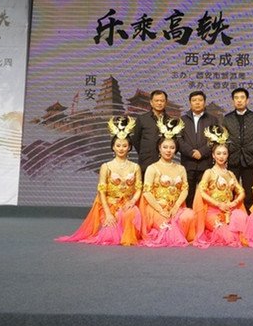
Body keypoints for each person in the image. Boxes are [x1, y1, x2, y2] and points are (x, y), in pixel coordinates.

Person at [56, 117, 142, 246]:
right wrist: (108, 213)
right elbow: (101, 192)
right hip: (109, 206)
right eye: (118, 145)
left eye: (124, 146)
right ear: (113, 147)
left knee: (132, 214)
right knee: (110, 237)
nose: (121, 149)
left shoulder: (135, 167)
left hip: (127, 205)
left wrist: (132, 201)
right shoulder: (106, 166)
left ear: (129, 147)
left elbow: (139, 188)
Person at [139, 118, 196, 246]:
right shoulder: (152, 168)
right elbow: (147, 192)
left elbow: (185, 190)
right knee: (169, 229)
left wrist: (176, 206)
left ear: (176, 149)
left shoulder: (181, 168)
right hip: (156, 208)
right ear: (159, 148)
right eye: (165, 147)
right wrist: (160, 210)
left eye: (172, 147)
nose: (168, 150)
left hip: (175, 207)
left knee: (190, 215)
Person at [193, 125, 248, 247]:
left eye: (224, 153)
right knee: (228, 235)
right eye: (218, 153)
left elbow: (241, 191)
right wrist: (218, 204)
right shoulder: (209, 172)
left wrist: (234, 203)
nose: (221, 156)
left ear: (228, 155)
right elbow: (201, 192)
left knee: (243, 221)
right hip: (212, 212)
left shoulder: (230, 174)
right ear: (213, 155)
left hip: (229, 210)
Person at [221, 88, 253, 210]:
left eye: (242, 98)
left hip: (250, 160)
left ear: (247, 100)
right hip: (232, 159)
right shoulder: (227, 118)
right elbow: (223, 140)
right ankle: (232, 215)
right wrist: (224, 159)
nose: (239, 100)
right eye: (236, 98)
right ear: (232, 101)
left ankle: (249, 216)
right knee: (231, 190)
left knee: (249, 192)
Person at [179, 91, 219, 208]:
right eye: (194, 100)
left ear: (204, 102)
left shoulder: (213, 120)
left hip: (205, 163)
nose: (197, 103)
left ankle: (204, 216)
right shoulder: (182, 120)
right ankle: (188, 215)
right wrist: (191, 152)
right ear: (190, 103)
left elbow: (215, 138)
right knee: (188, 194)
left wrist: (202, 152)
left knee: (206, 194)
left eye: (200, 100)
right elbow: (179, 140)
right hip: (188, 163)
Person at [134, 90, 169, 174]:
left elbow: (174, 142)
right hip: (146, 160)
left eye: (162, 101)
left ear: (166, 103)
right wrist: (145, 152)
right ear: (151, 102)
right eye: (156, 100)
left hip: (165, 161)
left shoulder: (170, 121)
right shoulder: (142, 119)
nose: (159, 103)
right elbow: (135, 139)